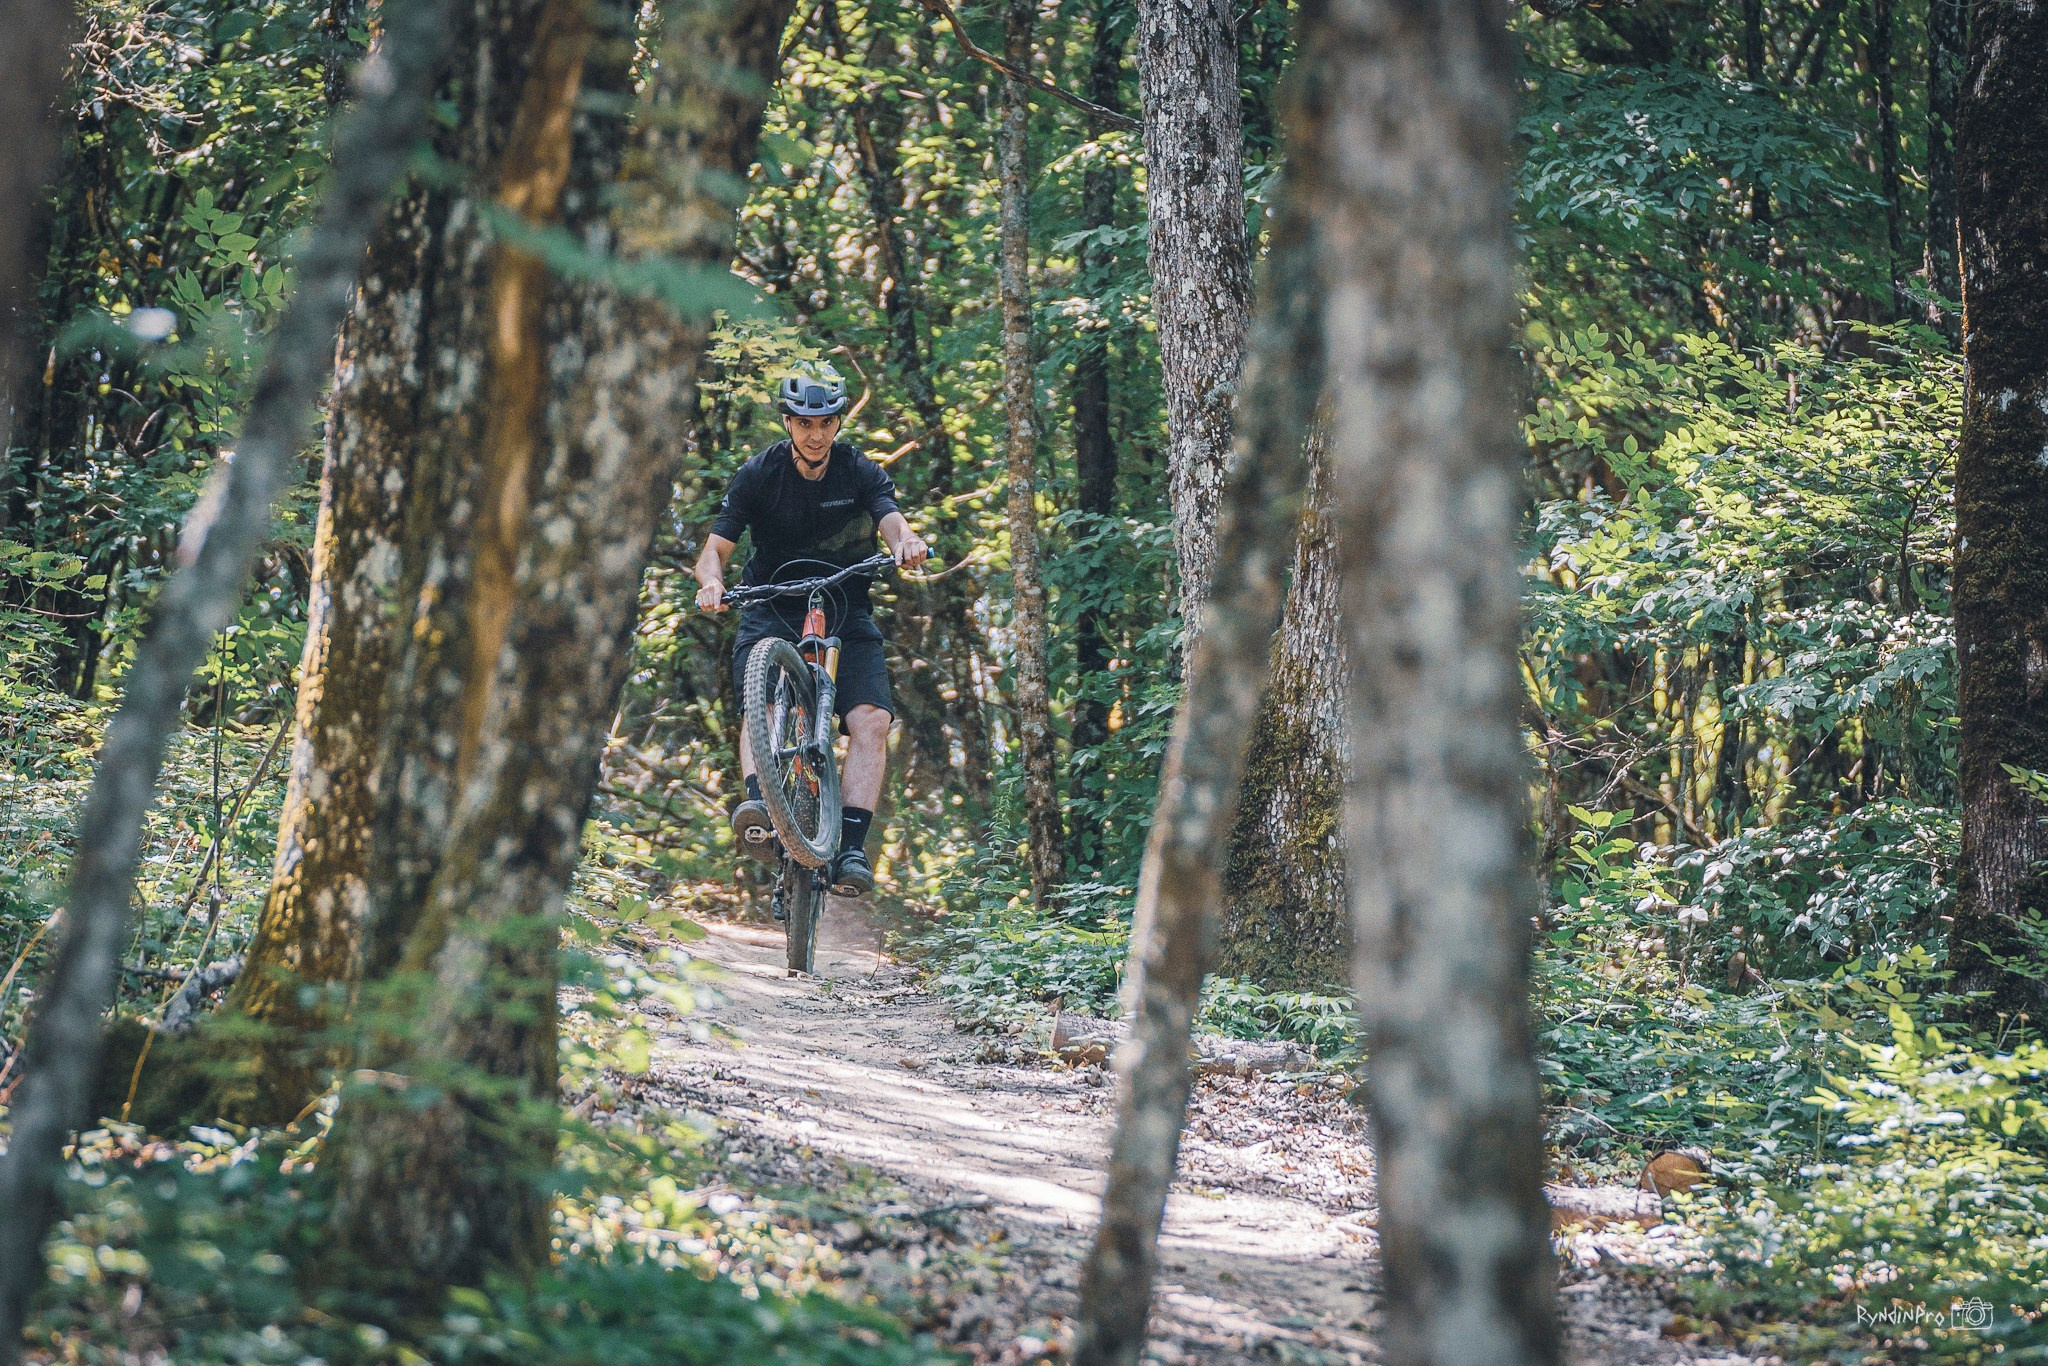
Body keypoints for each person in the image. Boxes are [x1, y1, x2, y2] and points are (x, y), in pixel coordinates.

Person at [694, 371, 929, 897]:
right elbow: (716, 549)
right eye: (804, 424)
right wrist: (712, 582)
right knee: (767, 705)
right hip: (770, 602)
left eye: (825, 424)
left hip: (844, 602)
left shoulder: (858, 470)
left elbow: (892, 520)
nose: (815, 435)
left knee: (871, 722)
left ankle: (849, 847)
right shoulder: (759, 473)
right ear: (787, 423)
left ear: (838, 423)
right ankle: (760, 805)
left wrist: (907, 542)